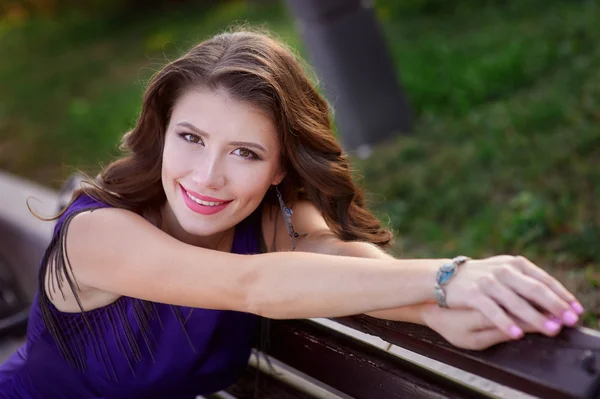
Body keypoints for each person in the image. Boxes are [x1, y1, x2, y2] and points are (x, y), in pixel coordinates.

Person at [0, 28, 584, 399]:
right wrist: (446, 278)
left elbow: (359, 271)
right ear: (162, 132)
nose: (207, 176)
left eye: (246, 153)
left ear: (281, 167)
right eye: (192, 137)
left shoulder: (276, 221)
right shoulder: (98, 233)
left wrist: (434, 307)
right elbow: (251, 284)